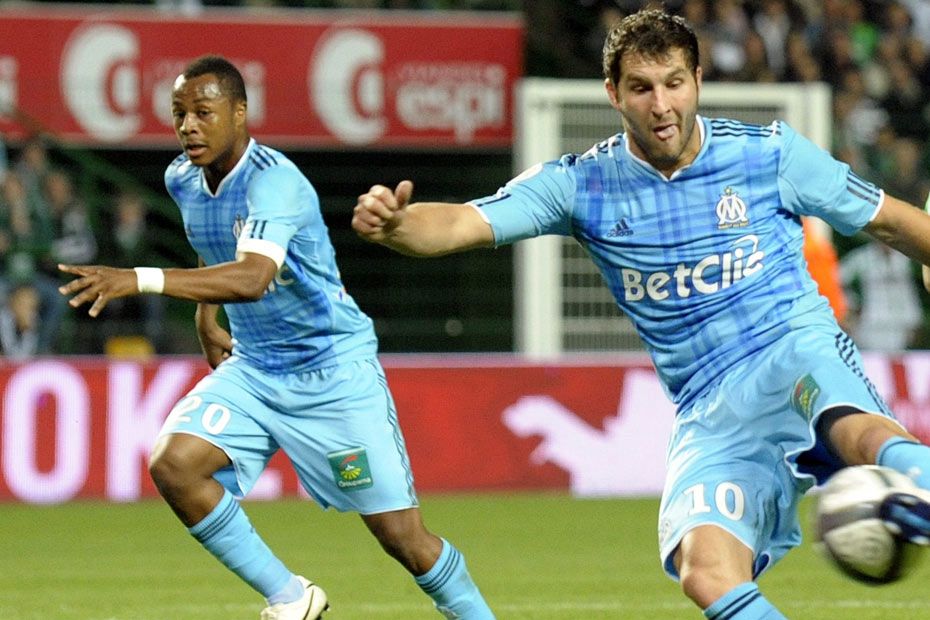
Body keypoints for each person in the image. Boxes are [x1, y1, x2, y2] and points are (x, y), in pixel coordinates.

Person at [352, 9, 930, 619]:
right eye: (641, 88)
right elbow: (463, 223)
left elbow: (893, 222)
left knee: (858, 432)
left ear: (698, 80)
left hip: (792, 351)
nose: (661, 105)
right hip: (711, 408)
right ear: (613, 93)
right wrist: (397, 226)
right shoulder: (581, 185)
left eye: (674, 83)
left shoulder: (770, 155)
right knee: (706, 571)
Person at [58, 55, 493, 620]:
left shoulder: (275, 182)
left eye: (204, 112)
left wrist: (138, 278)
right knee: (175, 464)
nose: (189, 125)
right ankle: (291, 597)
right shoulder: (182, 179)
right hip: (257, 367)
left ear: (240, 113)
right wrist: (206, 318)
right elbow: (214, 244)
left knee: (404, 540)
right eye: (179, 113)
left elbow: (252, 277)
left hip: (331, 372)